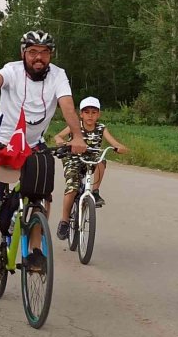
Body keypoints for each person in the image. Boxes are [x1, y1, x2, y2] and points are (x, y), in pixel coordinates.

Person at [0, 30, 87, 268]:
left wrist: (77, 136)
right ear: (24, 53)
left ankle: (34, 251)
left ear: (50, 55)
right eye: (33, 52)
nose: (38, 57)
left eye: (44, 52)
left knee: (40, 194)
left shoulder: (58, 75)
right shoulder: (12, 70)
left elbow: (67, 105)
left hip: (31, 146)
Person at [53, 96, 129, 240]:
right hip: (73, 158)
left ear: (98, 114)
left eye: (94, 112)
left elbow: (113, 142)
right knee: (72, 188)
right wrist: (60, 141)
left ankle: (95, 191)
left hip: (92, 159)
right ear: (81, 114)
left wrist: (119, 147)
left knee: (102, 160)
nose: (90, 115)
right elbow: (58, 136)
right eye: (86, 112)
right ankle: (64, 221)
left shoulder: (101, 128)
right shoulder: (75, 126)